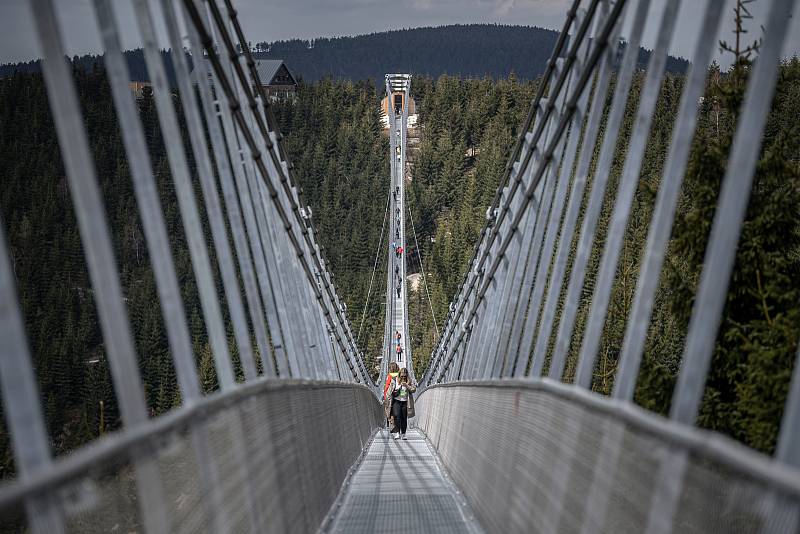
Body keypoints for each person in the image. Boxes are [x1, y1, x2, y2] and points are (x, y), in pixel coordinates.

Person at [390, 367, 416, 439]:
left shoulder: (409, 381)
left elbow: (414, 389)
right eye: (402, 376)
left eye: (405, 376)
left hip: (405, 402)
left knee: (404, 418)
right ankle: (397, 433)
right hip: (396, 401)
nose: (403, 377)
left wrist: (407, 385)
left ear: (407, 375)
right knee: (397, 416)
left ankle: (403, 434)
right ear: (399, 375)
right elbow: (390, 390)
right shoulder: (395, 380)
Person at [383, 362, 400, 428]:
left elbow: (387, 386)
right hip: (398, 395)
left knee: (388, 408)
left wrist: (385, 394)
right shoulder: (399, 375)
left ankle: (389, 423)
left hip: (390, 395)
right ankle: (396, 423)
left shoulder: (389, 376)